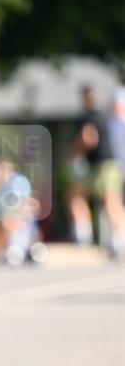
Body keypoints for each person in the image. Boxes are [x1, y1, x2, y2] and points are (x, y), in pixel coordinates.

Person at [64, 84, 125, 257]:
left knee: (110, 202)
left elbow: (89, 139)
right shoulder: (105, 116)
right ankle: (86, 234)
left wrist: (72, 153)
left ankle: (115, 240)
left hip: (104, 165)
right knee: (80, 196)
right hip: (103, 165)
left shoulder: (89, 117)